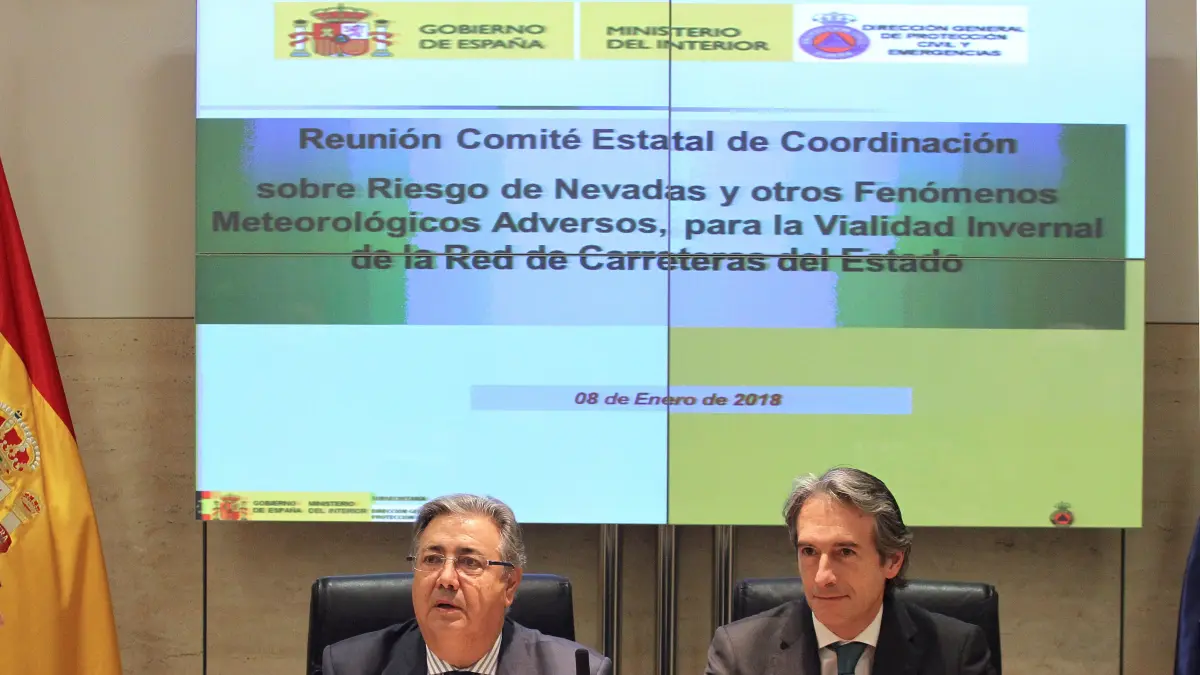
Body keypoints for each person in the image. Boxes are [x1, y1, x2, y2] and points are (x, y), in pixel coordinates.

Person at [705, 467, 995, 675]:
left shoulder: (956, 653)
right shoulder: (740, 653)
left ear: (892, 561)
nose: (822, 578)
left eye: (845, 552)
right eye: (809, 551)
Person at [322, 493, 611, 675]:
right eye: (432, 559)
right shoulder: (349, 667)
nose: (446, 579)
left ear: (510, 585)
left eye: (470, 562)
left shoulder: (575, 670)